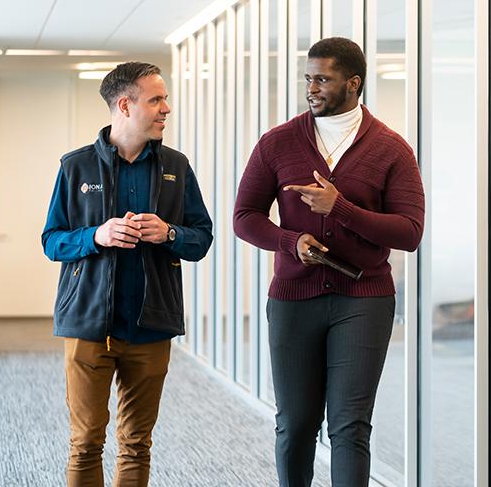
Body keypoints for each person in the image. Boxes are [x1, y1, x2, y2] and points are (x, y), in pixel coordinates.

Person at [233, 37, 425, 487]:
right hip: (294, 298)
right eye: (308, 78)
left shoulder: (391, 149)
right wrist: (289, 241)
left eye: (323, 79)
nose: (311, 88)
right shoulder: (277, 142)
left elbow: (409, 232)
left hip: (365, 299)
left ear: (353, 83)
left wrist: (340, 208)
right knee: (296, 422)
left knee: (349, 425)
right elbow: (244, 218)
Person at [42, 62, 212, 487]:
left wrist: (169, 232)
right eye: (156, 99)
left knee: (138, 443)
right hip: (87, 325)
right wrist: (96, 235)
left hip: (152, 325)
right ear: (125, 105)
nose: (166, 108)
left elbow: (201, 238)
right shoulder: (75, 167)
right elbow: (51, 241)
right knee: (85, 443)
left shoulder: (177, 165)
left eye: (164, 99)